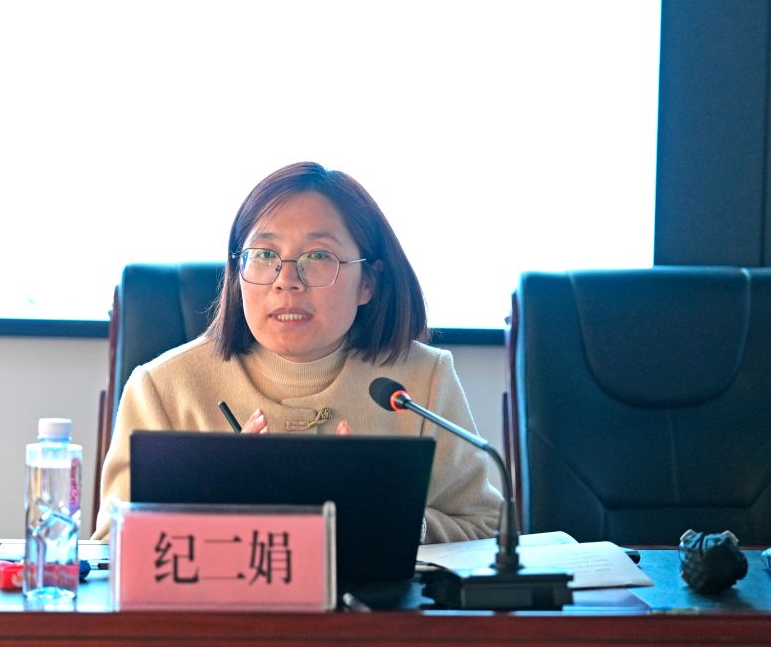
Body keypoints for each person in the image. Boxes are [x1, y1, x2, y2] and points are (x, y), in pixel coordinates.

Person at [93, 161, 503, 541]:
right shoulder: (162, 388)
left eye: (318, 256)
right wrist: (220, 510)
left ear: (368, 282)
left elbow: (488, 527)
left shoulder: (419, 382)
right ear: (237, 272)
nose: (287, 280)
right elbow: (113, 548)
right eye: (264, 255)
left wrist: (392, 518)